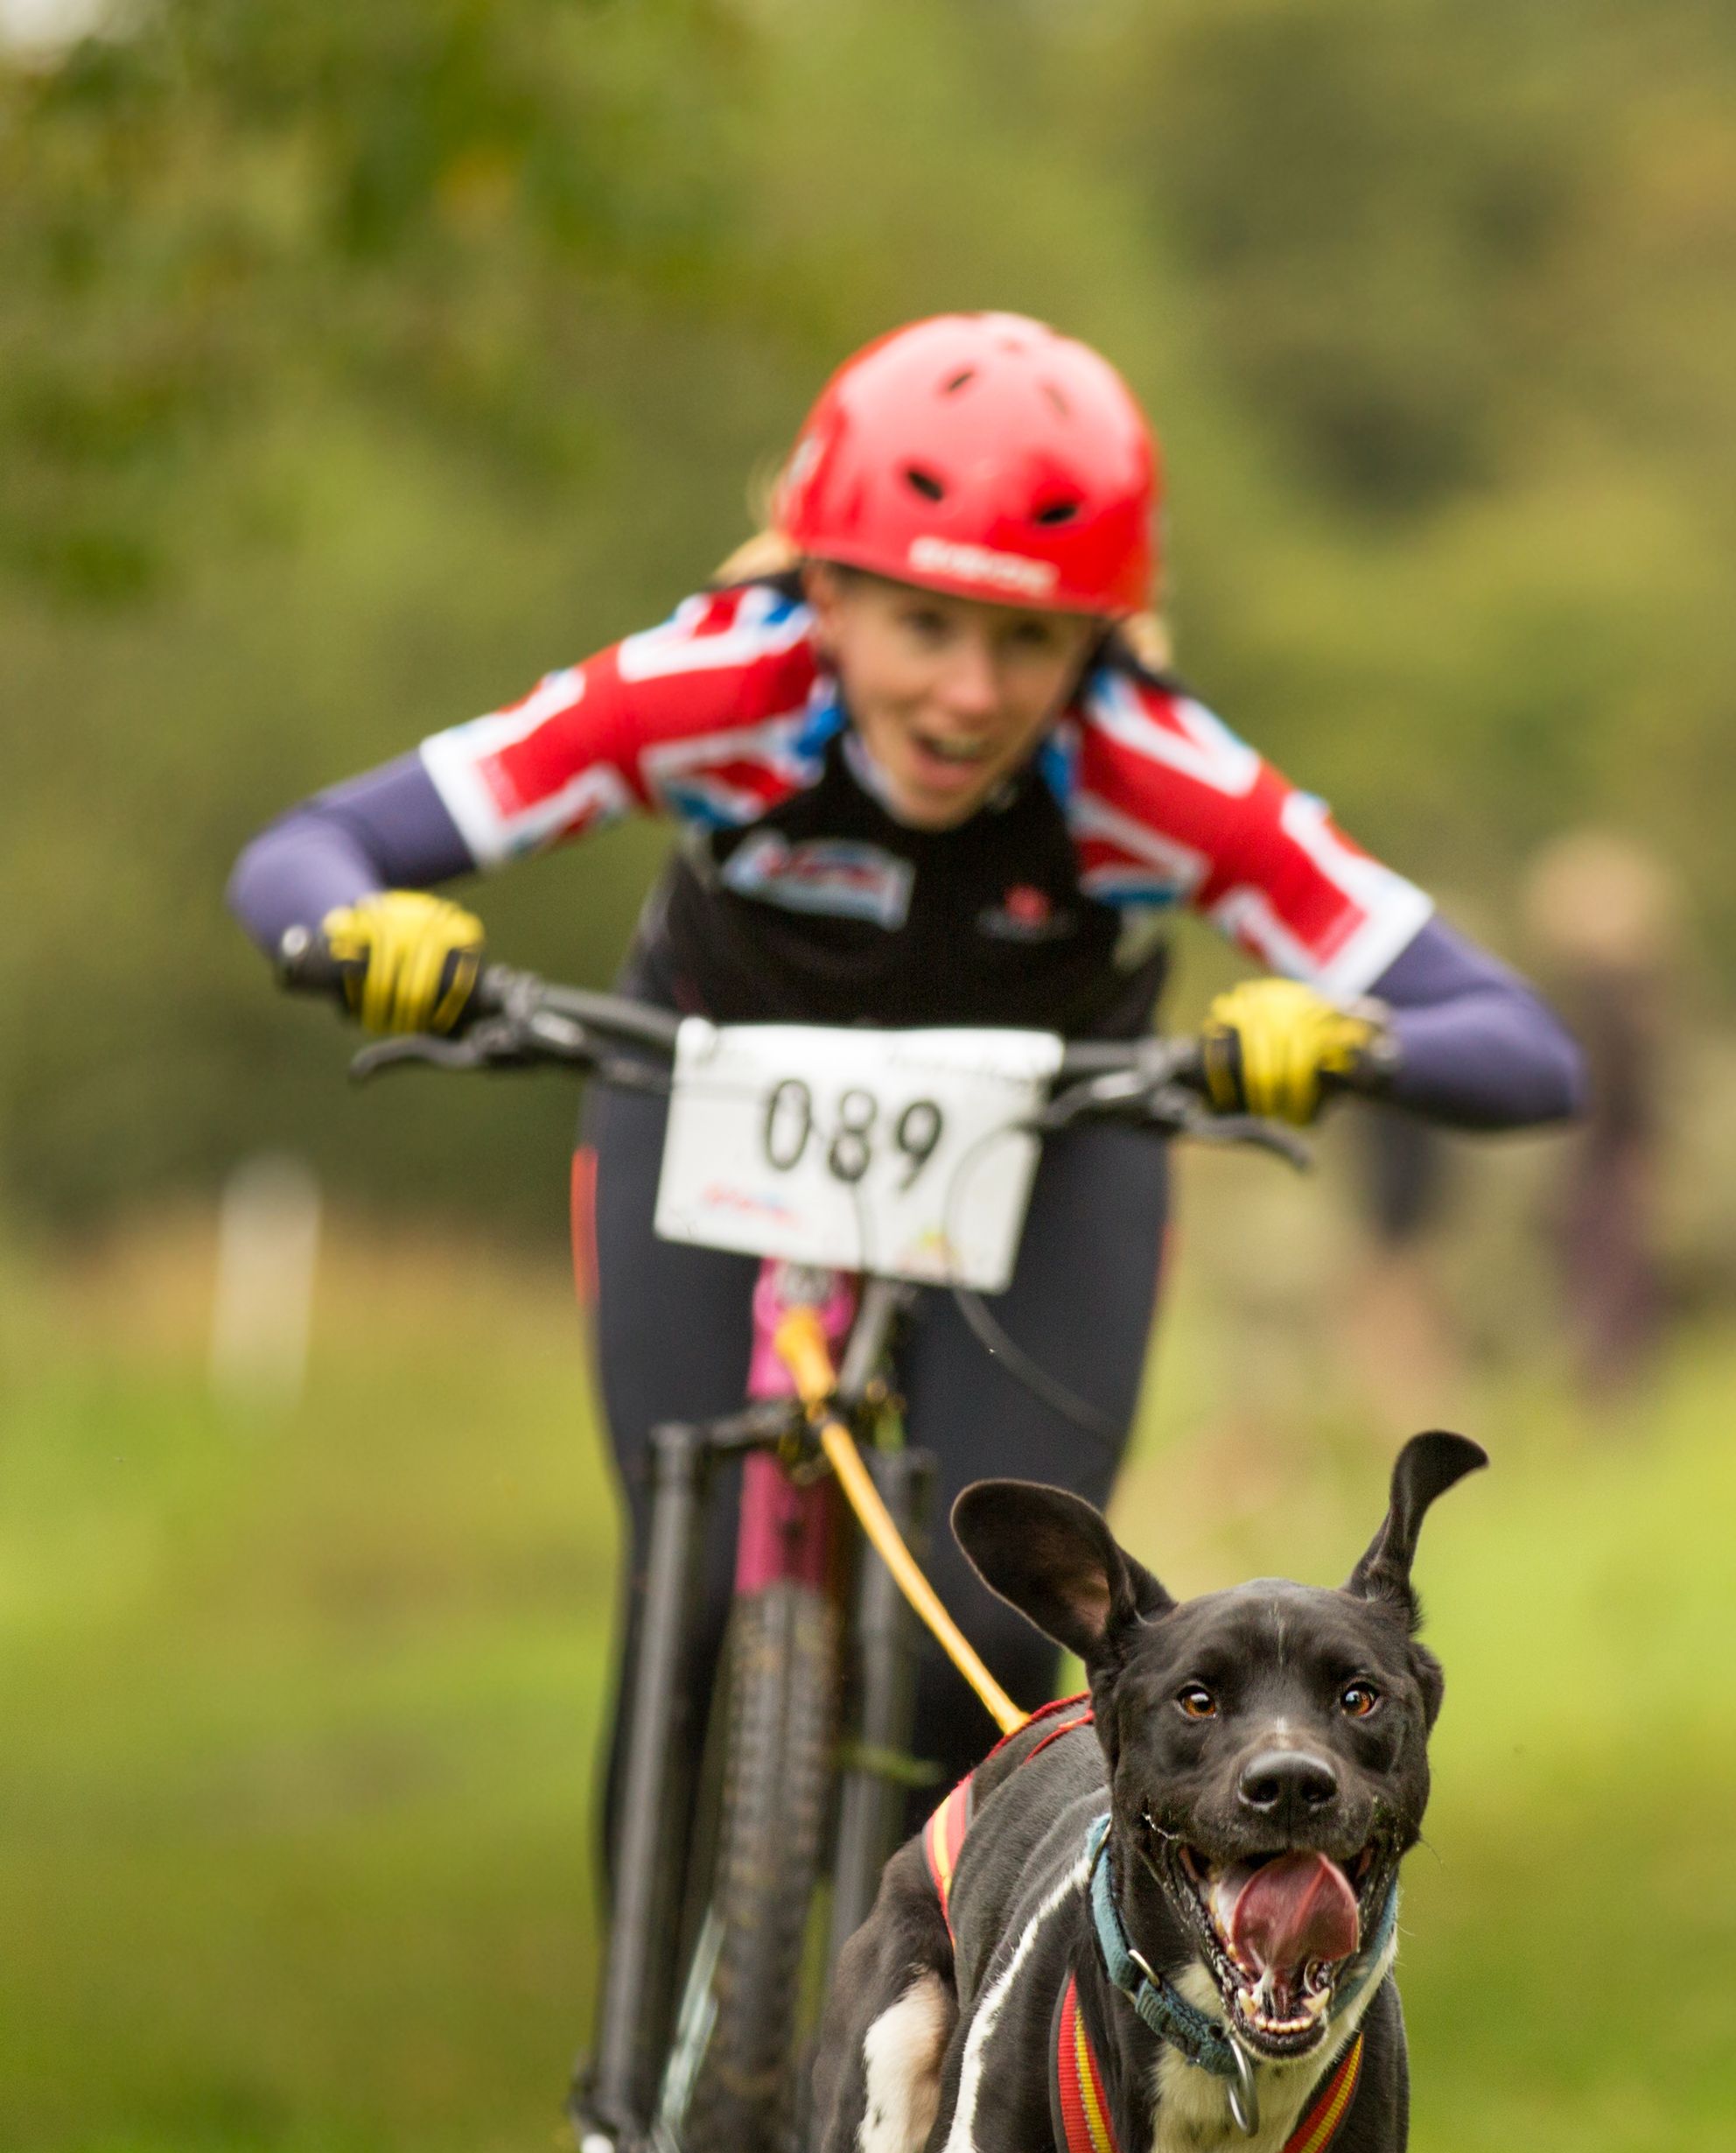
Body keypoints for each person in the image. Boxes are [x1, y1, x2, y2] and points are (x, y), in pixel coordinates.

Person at [229, 309, 1583, 1907]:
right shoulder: (712, 682)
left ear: (1103, 641)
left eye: (1029, 643)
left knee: (995, 1641)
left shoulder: (1155, 766)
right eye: (919, 624)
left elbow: (1521, 1045)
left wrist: (1338, 1040)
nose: (965, 690)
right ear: (821, 585)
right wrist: (364, 931)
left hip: (1050, 1140)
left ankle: (952, 2044)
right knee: (688, 1603)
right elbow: (306, 853)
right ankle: (649, 2102)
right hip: (706, 1087)